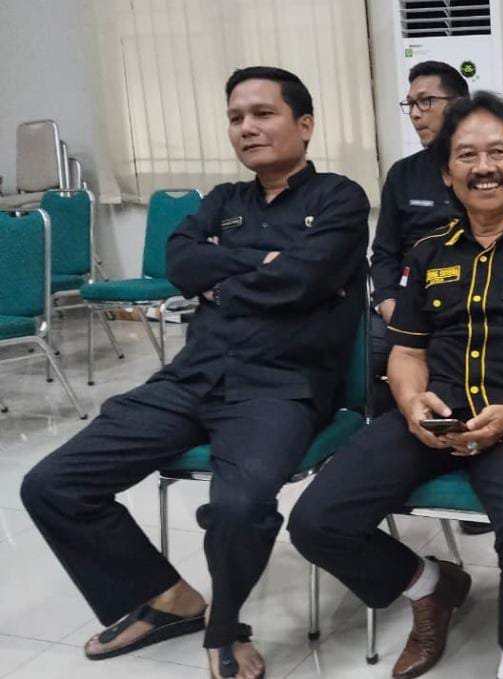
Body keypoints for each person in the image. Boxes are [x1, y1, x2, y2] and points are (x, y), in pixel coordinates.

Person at [19, 66, 369, 679]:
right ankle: (169, 599)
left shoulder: (339, 198)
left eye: (263, 113)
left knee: (239, 506)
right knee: (52, 485)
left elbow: (304, 278)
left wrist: (223, 278)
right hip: (192, 376)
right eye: (236, 118)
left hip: (281, 387)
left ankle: (224, 625)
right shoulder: (223, 201)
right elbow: (179, 263)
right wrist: (258, 265)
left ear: (304, 125)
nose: (247, 127)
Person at [290, 91, 503, 679]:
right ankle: (430, 586)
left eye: (498, 152)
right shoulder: (428, 252)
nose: (483, 167)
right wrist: (412, 401)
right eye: (466, 155)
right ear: (447, 172)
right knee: (316, 520)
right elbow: (406, 350)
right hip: (434, 415)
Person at [370, 60, 469, 415]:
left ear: (458, 105)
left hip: (470, 303)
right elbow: (384, 252)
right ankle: (400, 418)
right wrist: (388, 302)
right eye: (410, 104)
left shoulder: (485, 170)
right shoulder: (403, 174)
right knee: (364, 353)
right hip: (408, 301)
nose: (414, 114)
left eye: (425, 101)